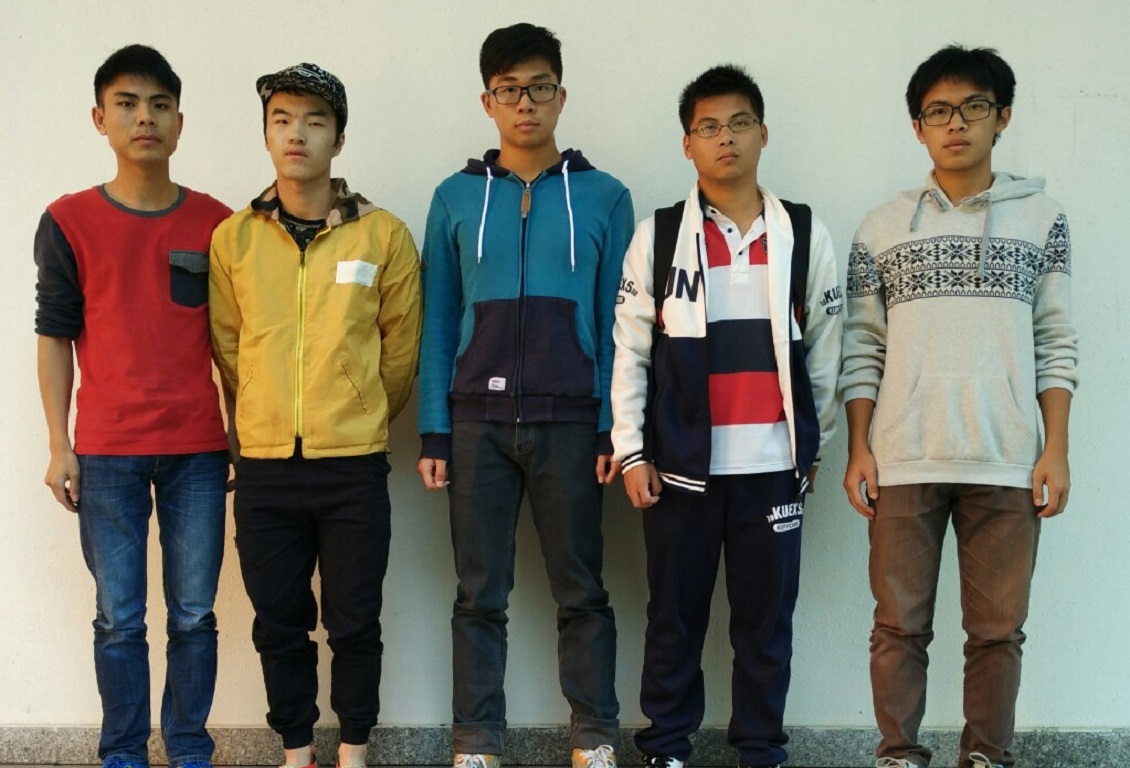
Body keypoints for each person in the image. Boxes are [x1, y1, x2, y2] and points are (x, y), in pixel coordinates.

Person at [839, 45, 1077, 768]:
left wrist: (1056, 448)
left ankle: (986, 756)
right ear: (918, 127)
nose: (956, 124)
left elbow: (1055, 339)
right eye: (938, 111)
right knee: (897, 628)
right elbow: (862, 346)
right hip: (903, 457)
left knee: (998, 633)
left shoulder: (1043, 219)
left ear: (1002, 117)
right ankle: (898, 754)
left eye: (974, 107)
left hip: (1007, 459)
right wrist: (859, 448)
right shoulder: (882, 227)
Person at [610, 64, 843, 768]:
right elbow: (631, 352)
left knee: (766, 626)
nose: (725, 138)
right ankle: (666, 747)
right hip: (681, 470)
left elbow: (827, 352)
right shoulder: (659, 235)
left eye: (739, 123)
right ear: (687, 144)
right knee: (673, 620)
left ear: (763, 133)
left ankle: (760, 750)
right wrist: (632, 451)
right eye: (708, 127)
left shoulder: (803, 233)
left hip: (773, 469)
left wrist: (810, 448)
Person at [415, 22, 633, 768]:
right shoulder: (453, 198)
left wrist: (610, 427)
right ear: (488, 102)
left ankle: (595, 738)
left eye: (539, 87)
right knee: (478, 595)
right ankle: (476, 743)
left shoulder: (605, 198)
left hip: (571, 425)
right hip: (475, 427)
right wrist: (435, 430)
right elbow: (439, 320)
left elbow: (618, 323)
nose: (525, 103)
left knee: (582, 591)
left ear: (560, 95)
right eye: (509, 90)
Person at [209, 62, 422, 768]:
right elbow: (229, 347)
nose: (296, 133)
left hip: (352, 467)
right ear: (267, 135)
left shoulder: (383, 235)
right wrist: (263, 409)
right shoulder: (234, 238)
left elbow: (400, 351)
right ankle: (297, 752)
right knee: (279, 624)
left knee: (355, 622)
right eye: (282, 120)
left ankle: (353, 751)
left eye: (314, 120)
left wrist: (357, 412)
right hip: (265, 468)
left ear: (339, 138)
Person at [34, 44, 231, 768]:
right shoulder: (68, 220)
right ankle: (122, 754)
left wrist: (242, 430)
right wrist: (59, 444)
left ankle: (189, 750)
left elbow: (234, 342)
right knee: (118, 618)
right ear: (100, 118)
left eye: (159, 105)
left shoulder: (218, 223)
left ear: (179, 121)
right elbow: (54, 336)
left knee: (194, 615)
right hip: (106, 450)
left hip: (199, 450)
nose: (144, 117)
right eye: (127, 104)